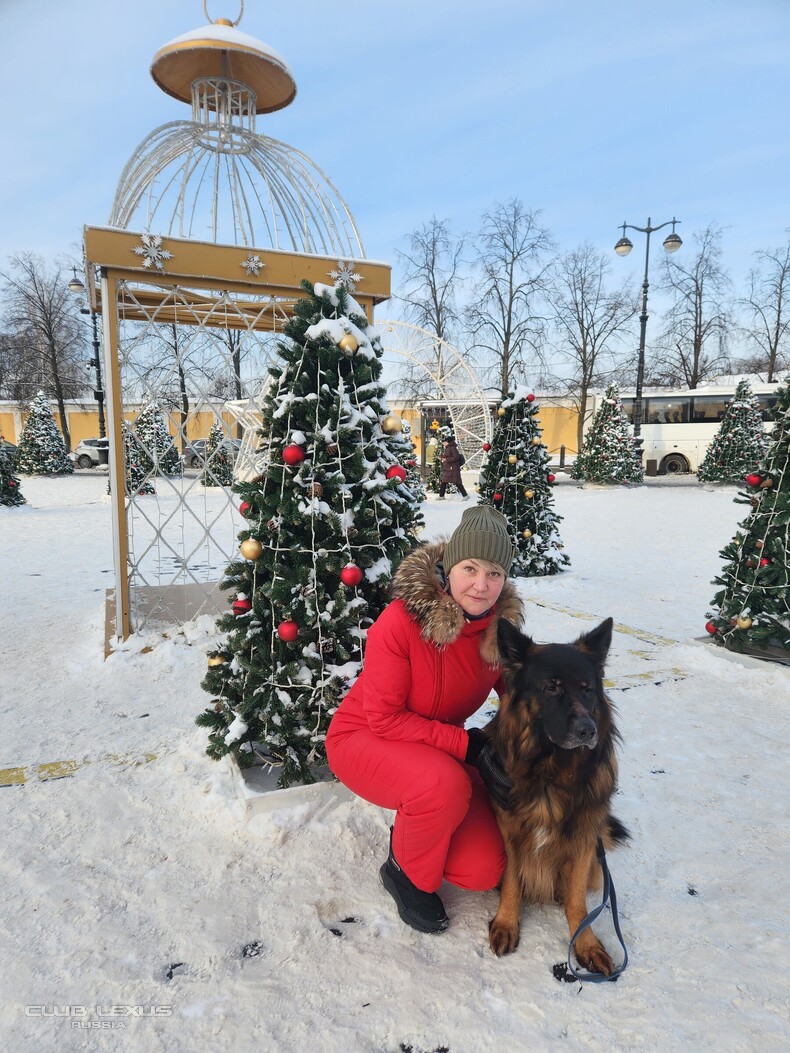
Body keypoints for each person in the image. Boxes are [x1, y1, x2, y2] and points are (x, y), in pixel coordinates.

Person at [326, 505, 524, 933]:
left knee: (484, 869)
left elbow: (524, 696)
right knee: (442, 785)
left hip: (434, 750)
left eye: (494, 573)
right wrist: (468, 746)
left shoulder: (499, 634)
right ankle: (404, 873)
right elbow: (384, 719)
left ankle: (419, 823)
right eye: (470, 568)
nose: (481, 585)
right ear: (449, 567)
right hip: (364, 737)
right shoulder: (401, 621)